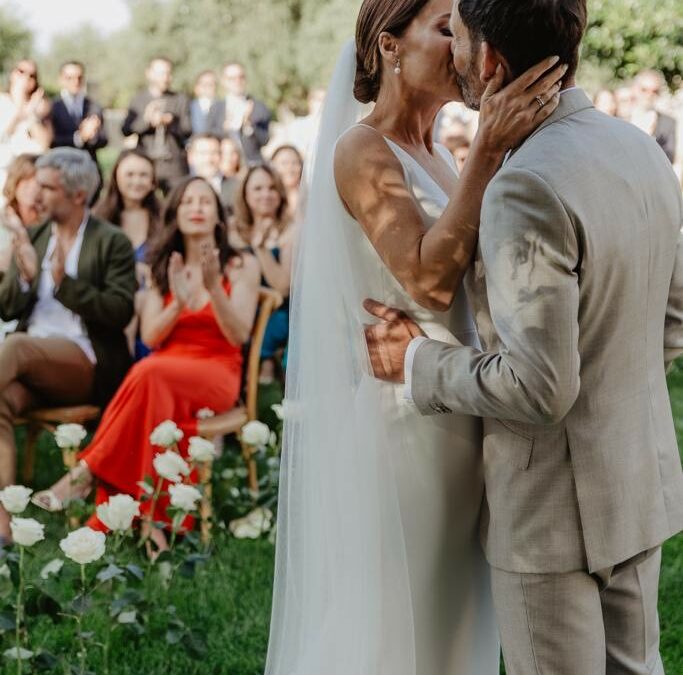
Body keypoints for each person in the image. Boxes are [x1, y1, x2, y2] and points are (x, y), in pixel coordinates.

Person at [363, 1, 683, 674]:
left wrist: (415, 360)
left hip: (549, 514)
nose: (450, 51)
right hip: (634, 475)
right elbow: (673, 318)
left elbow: (538, 387)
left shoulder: (523, 184)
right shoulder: (637, 147)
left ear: (489, 62)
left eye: (458, 37)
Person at [264, 0, 564, 672]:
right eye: (445, 29)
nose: (463, 44)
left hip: (460, 402)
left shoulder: (438, 154)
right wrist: (488, 145)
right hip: (408, 428)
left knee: (456, 621)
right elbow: (428, 283)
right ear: (389, 45)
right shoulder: (363, 149)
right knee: (405, 623)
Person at [33, 177, 260, 557]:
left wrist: (213, 287)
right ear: (176, 213)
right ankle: (153, 524)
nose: (196, 207)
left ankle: (87, 473)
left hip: (217, 370)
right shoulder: (161, 264)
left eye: (205, 201)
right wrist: (177, 301)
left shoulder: (240, 264)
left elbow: (238, 335)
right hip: (166, 370)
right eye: (187, 201)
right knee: (151, 377)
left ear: (219, 218)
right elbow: (153, 337)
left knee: (147, 373)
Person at [0, 148, 136, 543]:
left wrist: (65, 285)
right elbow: (7, 306)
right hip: (26, 360)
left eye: (47, 187)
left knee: (18, 346)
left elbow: (119, 311)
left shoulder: (112, 242)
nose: (37, 195)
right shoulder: (37, 234)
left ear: (78, 195)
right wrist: (24, 275)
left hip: (83, 361)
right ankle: (5, 527)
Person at [94, 149, 161, 359]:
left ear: (152, 181)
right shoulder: (98, 220)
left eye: (143, 175)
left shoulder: (164, 219)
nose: (137, 181)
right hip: (110, 302)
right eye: (130, 175)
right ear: (116, 177)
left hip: (153, 304)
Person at [230, 164, 293, 383]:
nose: (265, 194)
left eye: (272, 188)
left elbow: (283, 287)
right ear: (245, 194)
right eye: (258, 188)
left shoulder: (289, 230)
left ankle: (262, 386)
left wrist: (261, 248)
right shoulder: (232, 230)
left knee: (267, 330)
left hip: (277, 310)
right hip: (238, 306)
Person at [121, 57, 192, 193]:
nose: (165, 78)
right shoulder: (138, 99)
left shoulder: (180, 99)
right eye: (161, 73)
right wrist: (147, 121)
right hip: (146, 162)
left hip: (173, 165)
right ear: (149, 74)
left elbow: (187, 130)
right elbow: (126, 130)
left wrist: (171, 122)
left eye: (168, 73)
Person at [0, 60, 52, 194]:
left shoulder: (41, 106)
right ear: (12, 74)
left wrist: (31, 114)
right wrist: (20, 108)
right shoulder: (2, 101)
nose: (26, 77)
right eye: (21, 71)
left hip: (30, 174)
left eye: (32, 75)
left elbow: (45, 144)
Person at [208, 62, 271, 164]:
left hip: (252, 163)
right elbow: (209, 137)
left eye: (241, 77)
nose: (237, 81)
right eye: (232, 78)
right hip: (224, 165)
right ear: (223, 81)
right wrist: (224, 129)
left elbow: (265, 140)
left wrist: (249, 126)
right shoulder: (216, 108)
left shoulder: (259, 107)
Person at [50, 61, 108, 163]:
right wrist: (79, 137)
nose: (75, 82)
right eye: (70, 78)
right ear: (61, 80)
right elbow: (51, 141)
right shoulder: (52, 107)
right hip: (62, 165)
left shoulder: (94, 106)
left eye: (79, 78)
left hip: (89, 165)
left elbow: (104, 139)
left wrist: (92, 136)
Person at [0, 154, 43, 276]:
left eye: (37, 182)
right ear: (15, 182)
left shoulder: (49, 222)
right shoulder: (3, 219)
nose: (32, 187)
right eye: (26, 180)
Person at [631, 69, 677, 163]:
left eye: (655, 91)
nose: (649, 95)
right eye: (644, 90)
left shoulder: (668, 123)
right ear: (635, 89)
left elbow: (669, 159)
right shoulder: (620, 118)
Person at [187, 133, 237, 215]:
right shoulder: (182, 191)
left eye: (214, 153)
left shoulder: (237, 188)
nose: (208, 159)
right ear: (191, 157)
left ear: (221, 156)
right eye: (203, 153)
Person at [270, 144, 304, 217]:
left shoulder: (310, 197)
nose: (290, 168)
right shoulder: (267, 199)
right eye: (284, 163)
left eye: (294, 163)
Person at [190, 70, 219, 135]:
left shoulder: (222, 107)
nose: (207, 88)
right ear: (196, 87)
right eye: (204, 84)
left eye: (211, 84)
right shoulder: (189, 107)